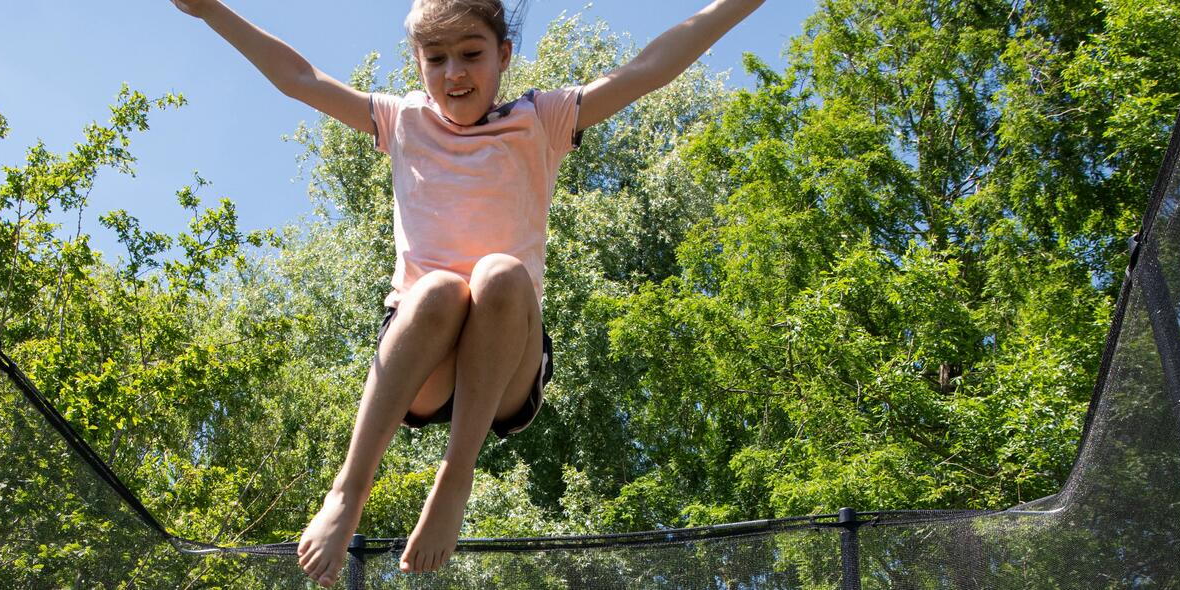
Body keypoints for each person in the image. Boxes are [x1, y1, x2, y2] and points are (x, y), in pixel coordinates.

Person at [168, 0, 767, 584]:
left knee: (499, 274)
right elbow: (299, 78)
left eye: (471, 54)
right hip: (420, 358)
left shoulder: (542, 119)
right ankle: (348, 490)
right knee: (438, 290)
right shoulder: (400, 120)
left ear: (504, 56)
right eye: (437, 58)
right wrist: (211, 10)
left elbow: (648, 69)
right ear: (419, 64)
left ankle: (454, 479)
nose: (454, 73)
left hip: (504, 363)